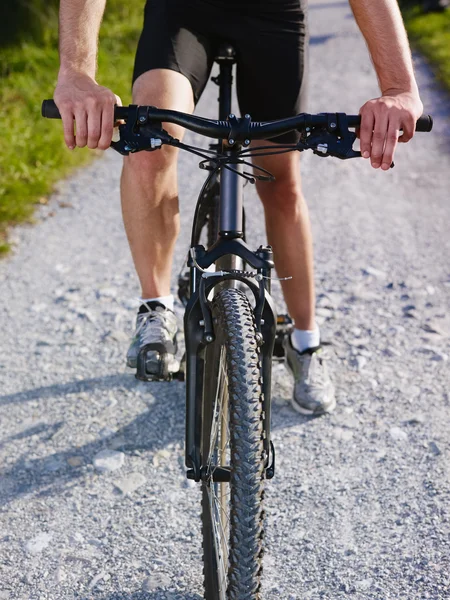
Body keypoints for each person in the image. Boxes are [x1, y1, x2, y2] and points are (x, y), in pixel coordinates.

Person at [53, 0, 423, 416]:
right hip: (181, 14)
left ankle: (305, 341)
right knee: (148, 142)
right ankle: (155, 309)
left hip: (273, 15)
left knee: (280, 181)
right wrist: (77, 74)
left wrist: (398, 89)